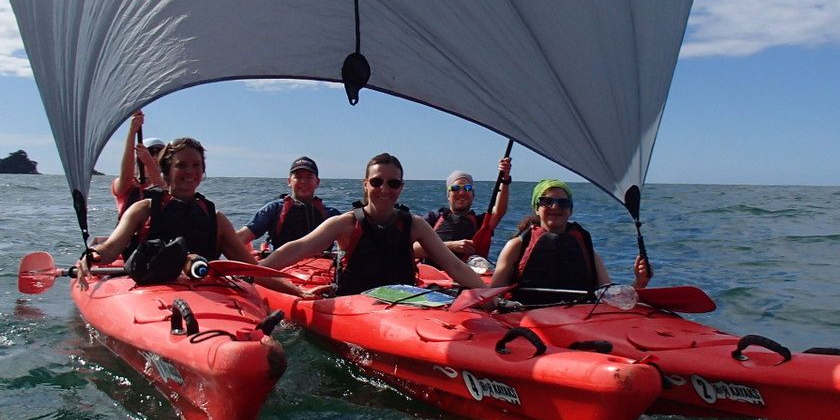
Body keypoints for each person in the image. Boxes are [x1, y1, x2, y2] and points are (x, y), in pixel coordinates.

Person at [78, 138, 300, 296]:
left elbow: (251, 269)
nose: (190, 172)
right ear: (166, 171)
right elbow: (110, 250)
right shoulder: (142, 210)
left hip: (205, 293)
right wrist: (91, 257)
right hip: (151, 292)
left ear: (202, 172)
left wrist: (299, 291)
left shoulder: (216, 219)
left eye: (196, 166)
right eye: (181, 165)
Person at [261, 153, 487, 297]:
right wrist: (292, 289)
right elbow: (296, 249)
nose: (385, 190)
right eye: (377, 182)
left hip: (403, 308)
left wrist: (491, 297)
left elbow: (455, 267)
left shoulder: (415, 225)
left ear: (401, 187)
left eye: (393, 183)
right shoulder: (345, 224)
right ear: (366, 184)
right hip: (354, 310)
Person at [490, 179, 650, 305]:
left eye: (563, 203)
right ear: (537, 209)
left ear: (570, 210)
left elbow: (608, 296)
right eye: (547, 201)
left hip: (577, 318)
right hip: (527, 316)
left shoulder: (586, 249)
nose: (555, 207)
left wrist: (639, 282)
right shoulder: (517, 246)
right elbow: (494, 296)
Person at [414, 157, 512, 264]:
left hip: (467, 276)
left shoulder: (481, 223)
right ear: (448, 195)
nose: (461, 193)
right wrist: (451, 246)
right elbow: (411, 248)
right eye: (455, 188)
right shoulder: (433, 218)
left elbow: (499, 211)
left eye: (467, 188)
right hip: (433, 276)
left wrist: (505, 179)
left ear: (473, 195)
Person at [236, 156, 341, 252]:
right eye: (298, 177)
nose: (303, 181)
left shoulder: (332, 214)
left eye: (309, 177)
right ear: (289, 181)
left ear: (317, 182)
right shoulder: (273, 209)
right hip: (281, 266)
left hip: (322, 267)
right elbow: (241, 237)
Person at [110, 111, 167, 217]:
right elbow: (126, 177)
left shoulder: (169, 184)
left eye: (159, 153)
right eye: (150, 152)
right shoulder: (129, 184)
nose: (154, 157)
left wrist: (149, 163)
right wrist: (132, 132)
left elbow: (167, 195)